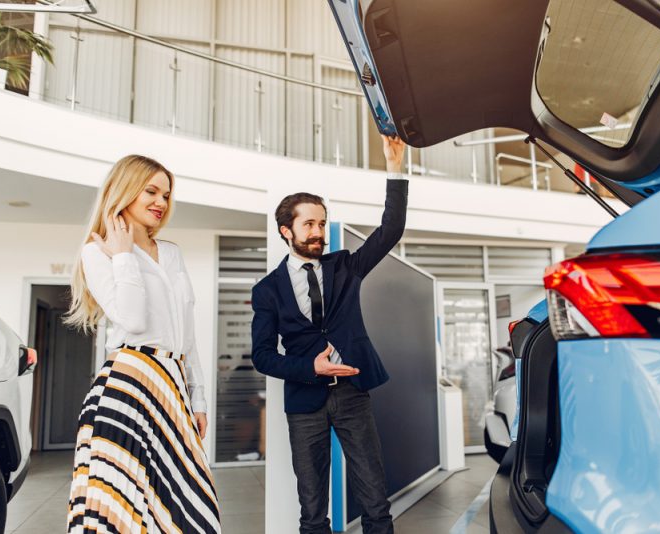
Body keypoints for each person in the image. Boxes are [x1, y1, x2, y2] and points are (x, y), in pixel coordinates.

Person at [251, 135, 407, 534]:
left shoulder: (345, 267)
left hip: (353, 397)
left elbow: (390, 230)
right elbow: (263, 355)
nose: (318, 231)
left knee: (375, 500)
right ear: (287, 231)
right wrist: (311, 368)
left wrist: (394, 169)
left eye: (322, 222)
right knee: (313, 508)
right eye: (309, 224)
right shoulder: (267, 290)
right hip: (305, 403)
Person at [64, 155, 221, 533]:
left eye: (166, 195)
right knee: (120, 509)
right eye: (151, 191)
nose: (161, 202)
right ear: (125, 192)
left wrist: (196, 398)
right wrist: (123, 255)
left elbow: (187, 334)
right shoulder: (97, 252)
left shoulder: (171, 252)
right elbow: (131, 319)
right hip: (128, 383)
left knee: (190, 504)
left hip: (172, 385)